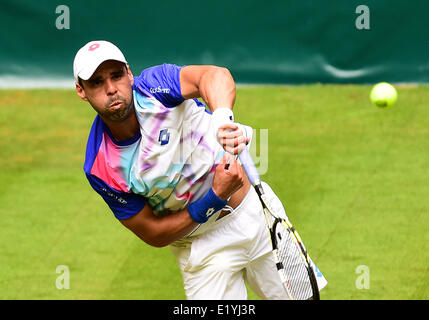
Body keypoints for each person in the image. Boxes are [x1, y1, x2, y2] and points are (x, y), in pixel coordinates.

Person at [73, 40, 327, 299]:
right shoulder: (101, 167)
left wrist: (222, 120)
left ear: (129, 73)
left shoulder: (154, 87)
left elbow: (214, 76)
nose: (111, 89)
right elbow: (153, 232)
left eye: (116, 76)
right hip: (200, 249)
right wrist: (213, 200)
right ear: (81, 91)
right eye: (96, 82)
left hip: (256, 215)